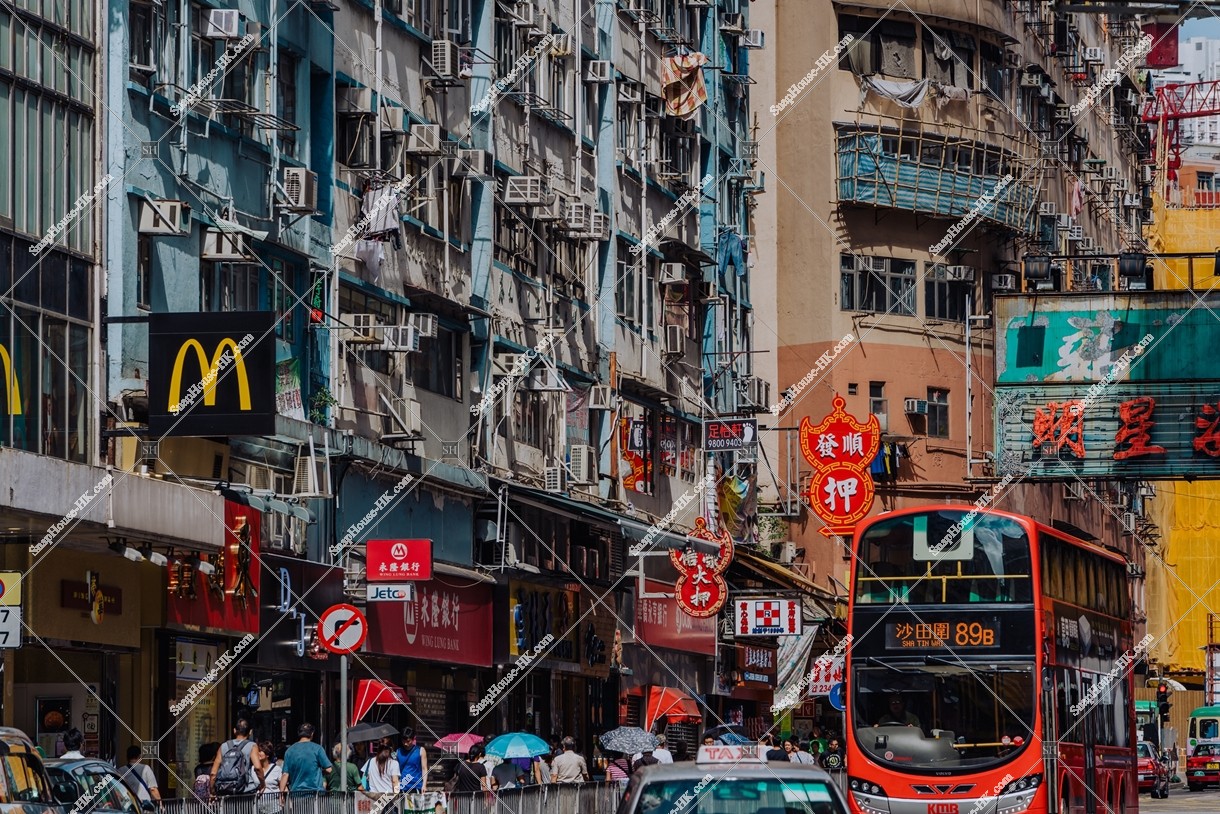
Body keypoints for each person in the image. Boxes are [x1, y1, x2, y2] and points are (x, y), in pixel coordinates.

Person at [211, 719, 267, 796]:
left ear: (234, 730)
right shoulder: (252, 746)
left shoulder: (223, 746)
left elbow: (213, 773)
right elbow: (257, 767)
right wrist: (263, 784)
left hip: (225, 790)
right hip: (246, 791)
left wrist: (212, 791)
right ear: (250, 732)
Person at [279, 723, 333, 794]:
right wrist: (319, 771)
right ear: (312, 733)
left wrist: (281, 793)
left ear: (299, 733)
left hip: (296, 794)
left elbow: (285, 774)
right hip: (315, 794)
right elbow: (329, 770)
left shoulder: (290, 751)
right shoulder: (317, 749)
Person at [396, 727, 428, 793]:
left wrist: (424, 785)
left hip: (416, 786)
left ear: (413, 739)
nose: (405, 744)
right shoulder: (398, 752)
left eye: (408, 741)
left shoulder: (420, 750)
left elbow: (424, 768)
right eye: (403, 741)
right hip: (402, 787)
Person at [257, 743, 283, 814]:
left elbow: (282, 785)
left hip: (274, 808)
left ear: (267, 755)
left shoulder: (276, 769)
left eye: (260, 751)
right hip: (258, 807)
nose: (258, 753)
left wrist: (282, 797)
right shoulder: (253, 769)